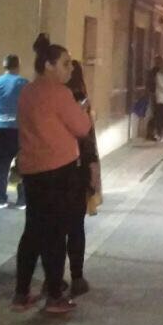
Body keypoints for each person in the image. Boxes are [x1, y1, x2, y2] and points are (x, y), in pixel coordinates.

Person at [13, 34, 91, 315]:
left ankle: (21, 293)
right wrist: (83, 112)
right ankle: (55, 295)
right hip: (59, 171)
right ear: (49, 65)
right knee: (56, 233)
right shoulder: (60, 93)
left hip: (32, 170)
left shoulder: (27, 92)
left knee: (33, 230)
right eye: (65, 64)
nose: (70, 69)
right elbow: (82, 128)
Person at [64, 61, 101, 297]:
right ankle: (76, 278)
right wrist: (93, 171)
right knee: (75, 227)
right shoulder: (78, 98)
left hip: (54, 168)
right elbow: (85, 135)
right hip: (75, 167)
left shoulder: (50, 96)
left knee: (56, 228)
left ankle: (54, 280)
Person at [0, 54, 28, 209]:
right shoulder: (23, 83)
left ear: (4, 66)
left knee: (1, 164)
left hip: (0, 127)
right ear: (17, 66)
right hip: (18, 128)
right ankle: (22, 200)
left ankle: (0, 198)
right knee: (22, 164)